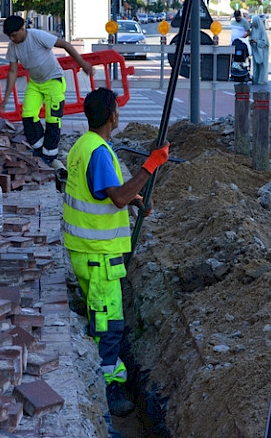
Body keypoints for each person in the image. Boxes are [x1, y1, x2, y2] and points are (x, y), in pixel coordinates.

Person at [62, 87, 170, 417]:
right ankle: (109, 387)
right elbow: (117, 198)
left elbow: (102, 194)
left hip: (85, 251)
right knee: (109, 326)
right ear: (112, 116)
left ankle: (108, 373)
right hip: (99, 257)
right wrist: (150, 166)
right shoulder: (99, 151)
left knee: (103, 318)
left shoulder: (83, 146)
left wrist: (136, 200)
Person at [1, 15, 94, 168]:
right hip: (35, 84)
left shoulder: (37, 36)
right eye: (9, 36)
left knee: (53, 119)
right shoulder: (13, 46)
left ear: (23, 29)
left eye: (14, 35)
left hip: (53, 81)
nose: (12, 39)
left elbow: (65, 45)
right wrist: (6, 98)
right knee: (28, 116)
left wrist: (83, 64)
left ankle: (50, 156)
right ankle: (41, 151)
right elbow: (12, 72)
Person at [249, 14, 270, 85]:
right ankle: (255, 79)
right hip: (255, 50)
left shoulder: (262, 30)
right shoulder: (253, 29)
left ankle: (262, 80)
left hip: (263, 51)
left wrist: (257, 41)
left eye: (255, 22)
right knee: (255, 66)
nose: (254, 24)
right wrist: (251, 41)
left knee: (262, 66)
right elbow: (250, 37)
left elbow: (265, 42)